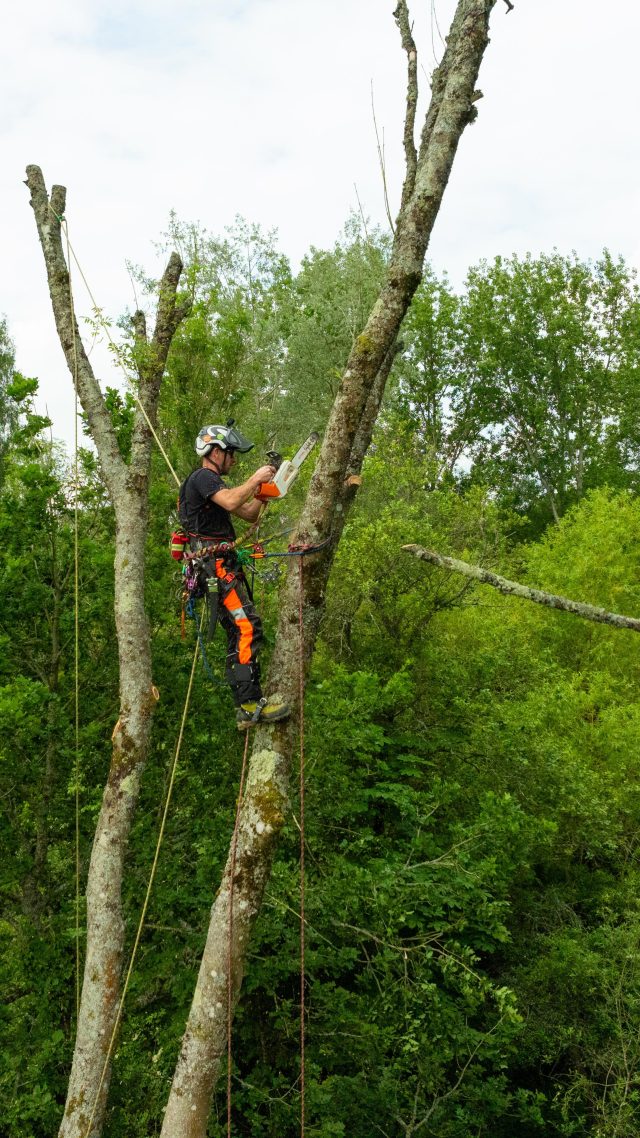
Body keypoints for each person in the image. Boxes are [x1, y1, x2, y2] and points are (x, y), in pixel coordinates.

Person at [179, 422, 291, 730]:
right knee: (246, 626)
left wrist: (265, 491)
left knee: (240, 629)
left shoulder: (213, 488)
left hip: (221, 566)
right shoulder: (203, 477)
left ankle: (247, 702)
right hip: (214, 567)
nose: (235, 461)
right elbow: (231, 501)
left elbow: (249, 512)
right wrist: (255, 478)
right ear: (216, 453)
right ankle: (249, 704)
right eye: (231, 455)